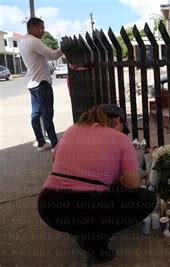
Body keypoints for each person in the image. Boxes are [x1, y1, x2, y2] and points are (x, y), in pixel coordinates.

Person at [37, 104, 156, 262]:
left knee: (97, 197)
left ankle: (81, 229)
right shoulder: (120, 139)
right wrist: (118, 177)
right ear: (117, 120)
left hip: (49, 208)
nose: (123, 132)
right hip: (88, 207)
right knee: (146, 198)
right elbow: (132, 183)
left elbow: (55, 159)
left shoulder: (72, 129)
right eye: (123, 127)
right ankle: (95, 241)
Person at [19, 17, 63, 152]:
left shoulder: (22, 42)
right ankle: (55, 145)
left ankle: (41, 142)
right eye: (41, 28)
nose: (43, 31)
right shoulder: (34, 42)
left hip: (32, 84)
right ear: (32, 28)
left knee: (35, 114)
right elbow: (52, 56)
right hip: (42, 82)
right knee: (47, 114)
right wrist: (64, 48)